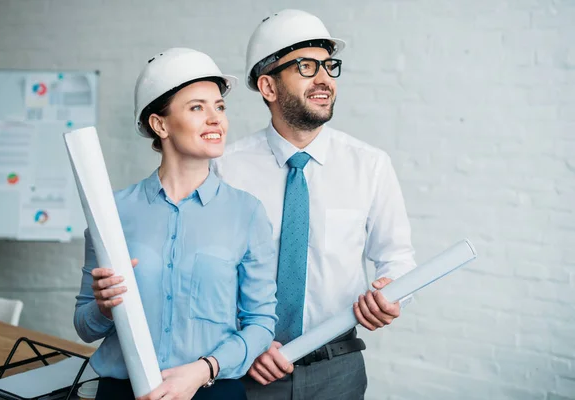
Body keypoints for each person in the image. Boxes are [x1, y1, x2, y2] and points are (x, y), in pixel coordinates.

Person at [212, 9, 417, 400]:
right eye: (307, 66)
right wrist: (240, 344)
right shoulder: (225, 169)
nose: (325, 79)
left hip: (338, 371)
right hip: (248, 369)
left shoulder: (369, 165)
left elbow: (398, 258)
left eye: (328, 66)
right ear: (268, 87)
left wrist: (393, 293)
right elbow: (207, 276)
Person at [74, 47, 278, 400]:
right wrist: (104, 308)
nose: (215, 119)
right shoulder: (112, 212)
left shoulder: (247, 213)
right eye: (197, 107)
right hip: (122, 392)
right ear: (160, 124)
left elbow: (261, 324)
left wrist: (204, 369)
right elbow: (84, 326)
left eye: (220, 107)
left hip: (213, 391)